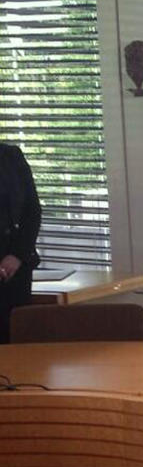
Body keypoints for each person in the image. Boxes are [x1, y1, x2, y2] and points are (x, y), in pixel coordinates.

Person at [0, 144, 42, 344]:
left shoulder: (11, 155)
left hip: (14, 270)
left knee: (17, 339)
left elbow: (32, 210)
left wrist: (16, 255)